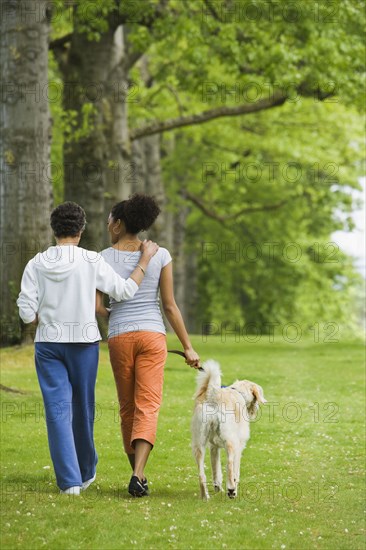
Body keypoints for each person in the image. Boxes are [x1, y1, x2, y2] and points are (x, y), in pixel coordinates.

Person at [17, 201, 158, 496]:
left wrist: (43, 318)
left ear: (53, 229)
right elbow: (124, 291)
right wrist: (144, 260)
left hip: (49, 344)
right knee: (82, 409)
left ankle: (70, 483)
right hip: (83, 344)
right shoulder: (91, 260)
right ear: (81, 230)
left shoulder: (36, 263)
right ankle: (85, 472)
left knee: (57, 411)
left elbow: (26, 312)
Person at [97, 193, 200, 497]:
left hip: (119, 336)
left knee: (127, 406)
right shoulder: (161, 254)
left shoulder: (102, 257)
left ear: (119, 222)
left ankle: (137, 474)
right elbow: (169, 306)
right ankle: (138, 474)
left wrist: (114, 313)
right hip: (152, 335)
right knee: (148, 404)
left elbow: (98, 307)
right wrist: (188, 347)